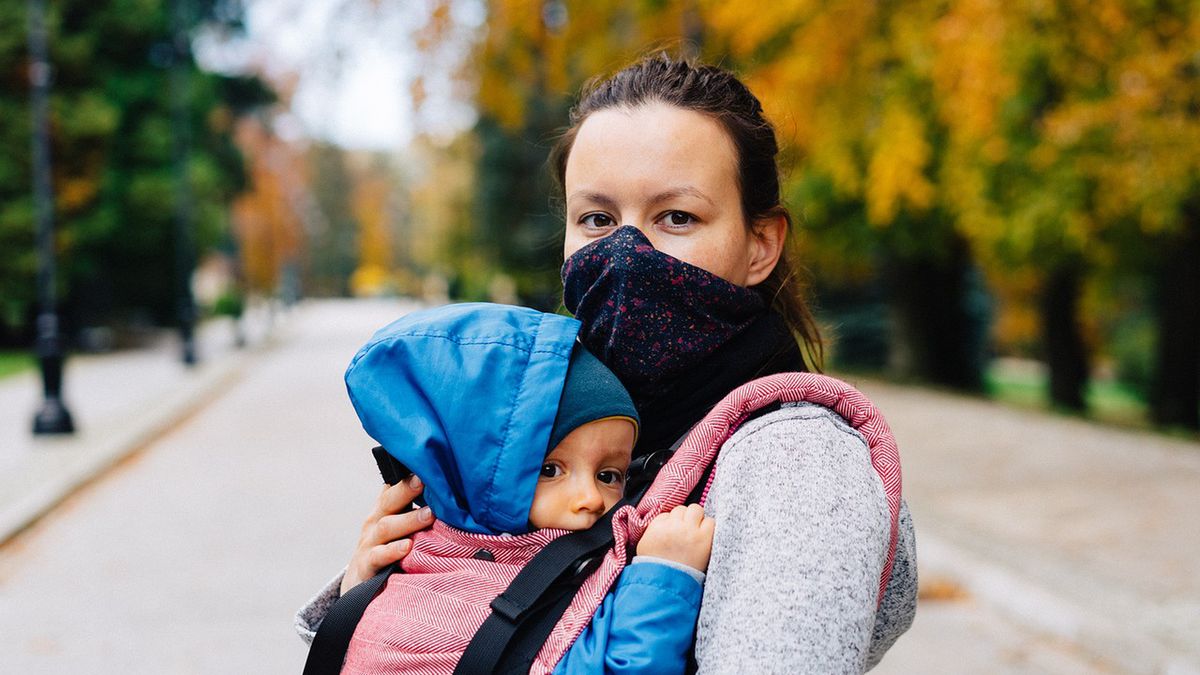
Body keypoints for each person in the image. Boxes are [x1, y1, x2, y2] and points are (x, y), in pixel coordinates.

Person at [299, 53, 917, 673]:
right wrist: (375, 593)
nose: (625, 252)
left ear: (760, 246)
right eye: (597, 219)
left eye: (677, 217)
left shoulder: (795, 461)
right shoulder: (552, 410)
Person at [329, 302, 715, 673]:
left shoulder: (560, 554)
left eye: (608, 475)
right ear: (473, 475)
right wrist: (665, 575)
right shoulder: (427, 608)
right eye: (549, 470)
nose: (591, 499)